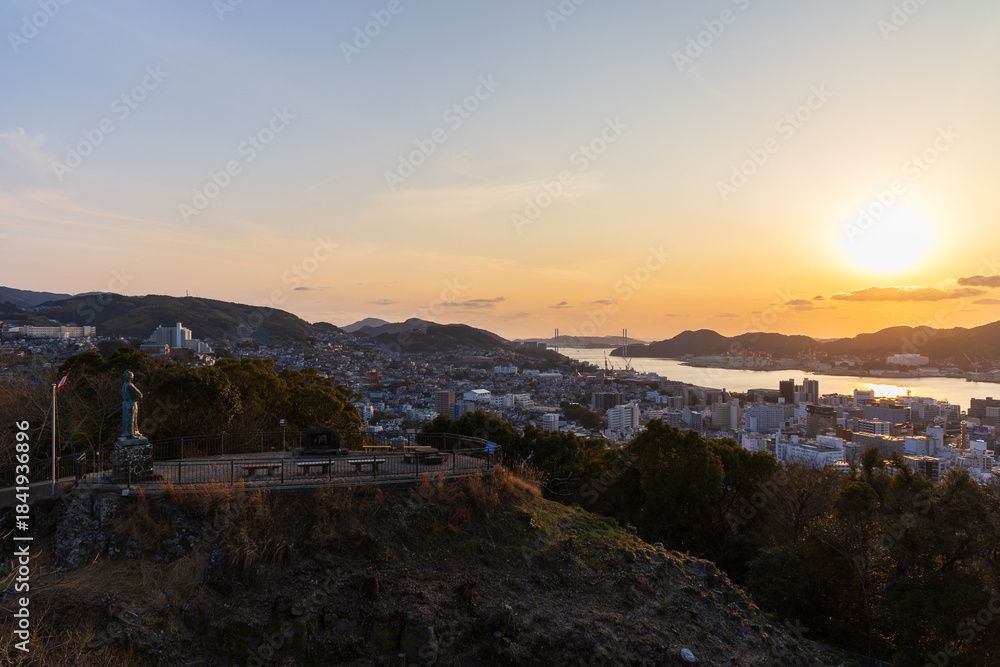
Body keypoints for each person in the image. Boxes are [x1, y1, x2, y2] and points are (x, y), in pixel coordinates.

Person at [120, 371, 143, 439]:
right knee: (132, 419)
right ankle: (131, 434)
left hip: (125, 403)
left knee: (126, 419)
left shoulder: (125, 384)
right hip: (131, 404)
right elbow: (139, 395)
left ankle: (129, 432)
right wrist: (136, 398)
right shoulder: (130, 385)